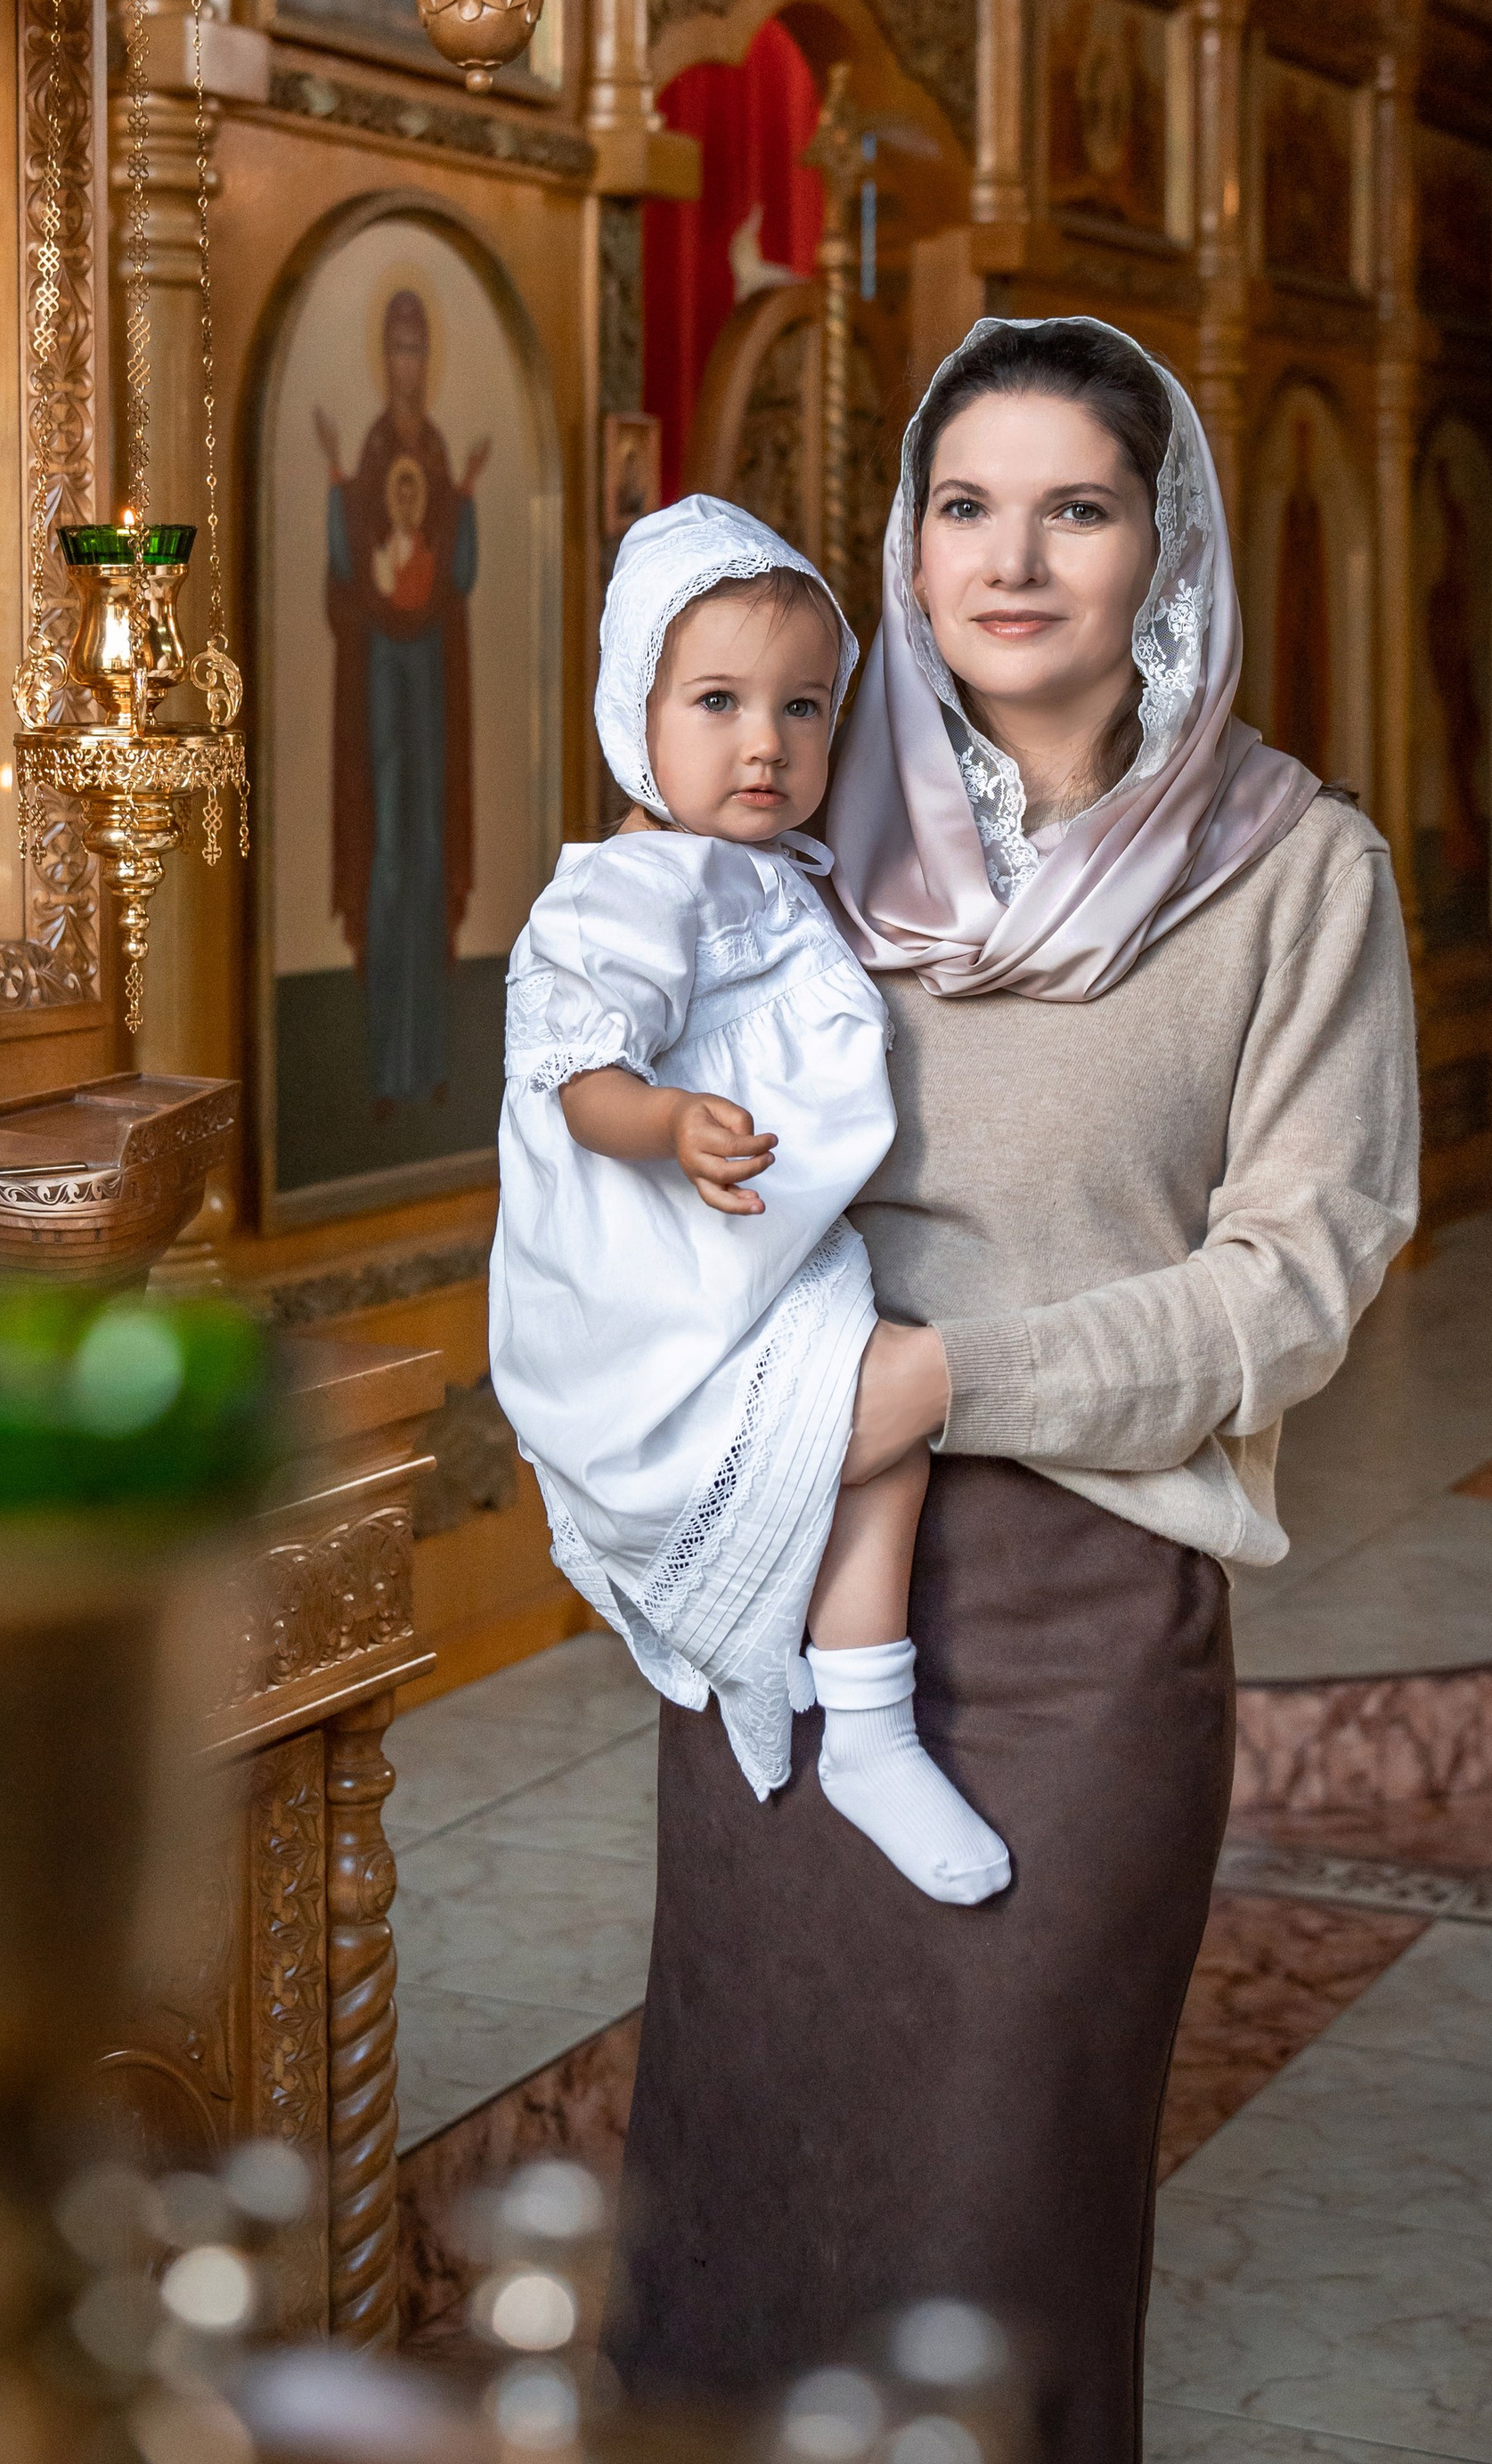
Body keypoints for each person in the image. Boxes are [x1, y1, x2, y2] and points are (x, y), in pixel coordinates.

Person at [608, 318, 1420, 2462]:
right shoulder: (784, 831)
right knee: (743, 2197)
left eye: (1074, 507)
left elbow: (1294, 1282)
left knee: (997, 2228)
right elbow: (626, 1153)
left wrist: (942, 1381)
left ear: (1163, 546)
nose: (1010, 559)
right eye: (963, 505)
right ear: (907, 539)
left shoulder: (1294, 872)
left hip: (1086, 1623)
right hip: (778, 1591)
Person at [490, 495, 1009, 1905]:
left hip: (759, 1261)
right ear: (633, 714)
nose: (765, 744)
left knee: (880, 1433)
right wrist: (667, 1123)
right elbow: (576, 1081)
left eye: (802, 707)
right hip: (654, 1287)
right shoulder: (627, 894)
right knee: (872, 1424)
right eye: (716, 703)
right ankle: (869, 1724)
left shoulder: (766, 877)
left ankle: (867, 1719)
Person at [318, 287, 487, 1109]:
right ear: (383, 358)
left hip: (432, 702)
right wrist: (336, 487)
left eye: (418, 349)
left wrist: (469, 501)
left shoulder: (439, 459)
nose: (407, 365)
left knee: (428, 862)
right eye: (397, 348)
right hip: (382, 699)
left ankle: (432, 1064)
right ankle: (387, 1068)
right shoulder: (373, 451)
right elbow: (346, 571)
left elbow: (457, 574)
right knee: (387, 860)